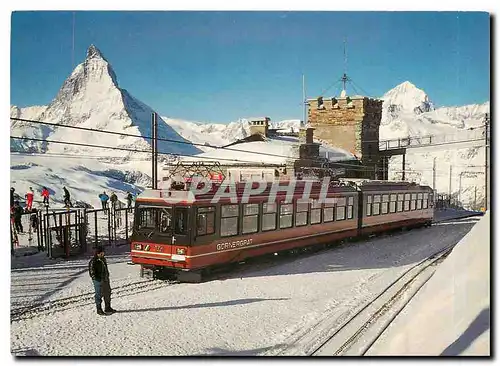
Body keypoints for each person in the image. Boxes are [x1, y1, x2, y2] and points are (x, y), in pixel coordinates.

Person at [88, 246, 116, 315]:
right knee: (99, 294)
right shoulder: (93, 261)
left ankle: (108, 307)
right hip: (98, 280)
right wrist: (97, 279)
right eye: (102, 253)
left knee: (107, 293)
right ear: (98, 253)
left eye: (103, 252)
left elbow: (105, 268)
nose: (103, 254)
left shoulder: (103, 259)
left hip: (105, 279)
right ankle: (99, 309)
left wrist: (107, 275)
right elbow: (92, 273)